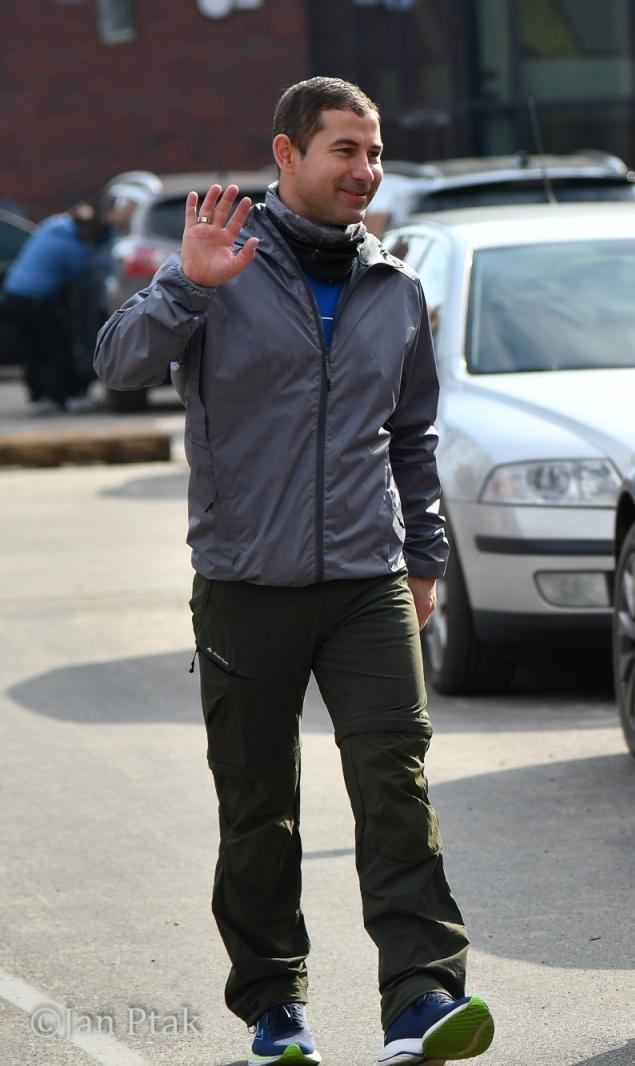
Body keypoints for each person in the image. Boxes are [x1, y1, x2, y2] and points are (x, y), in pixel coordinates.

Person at [94, 77, 493, 1066]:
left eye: (375, 152)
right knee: (258, 806)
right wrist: (188, 286)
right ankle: (276, 1007)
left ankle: (421, 996)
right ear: (287, 154)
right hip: (245, 582)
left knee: (395, 783)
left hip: (367, 579)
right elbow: (117, 363)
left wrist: (424, 558)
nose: (366, 170)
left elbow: (413, 437)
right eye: (344, 150)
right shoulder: (219, 263)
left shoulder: (394, 287)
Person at [3, 201, 102, 413]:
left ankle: (39, 398)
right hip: (36, 300)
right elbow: (82, 278)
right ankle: (65, 396)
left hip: (14, 293)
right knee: (56, 348)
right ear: (85, 227)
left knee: (31, 350)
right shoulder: (72, 247)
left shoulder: (50, 226)